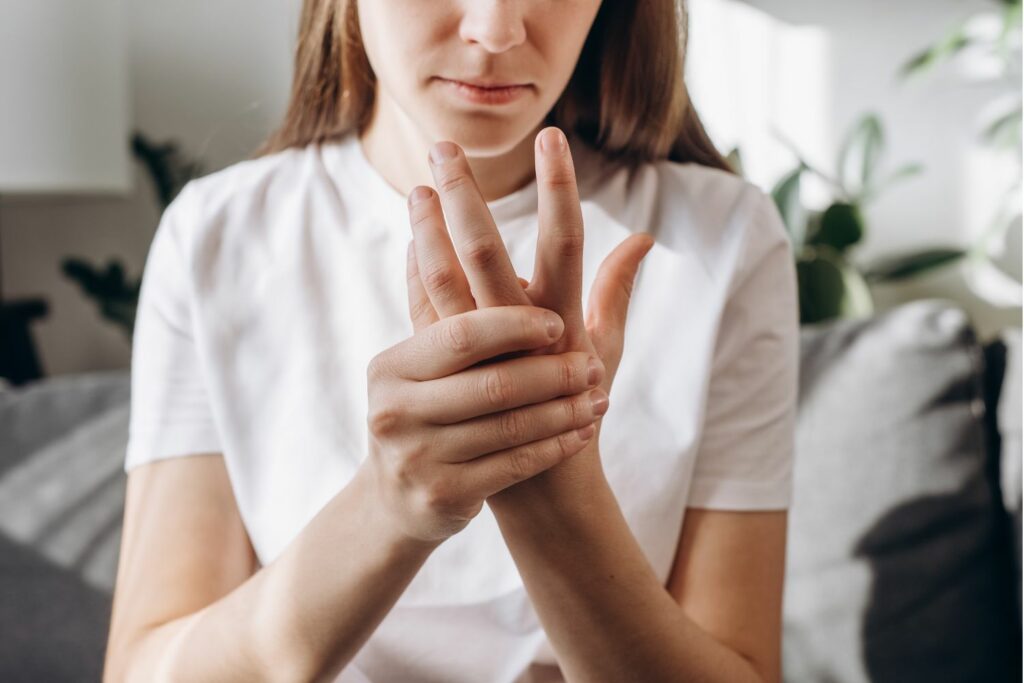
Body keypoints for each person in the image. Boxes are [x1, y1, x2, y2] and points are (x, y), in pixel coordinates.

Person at [103, 1, 799, 681]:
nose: (496, 30)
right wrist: (390, 502)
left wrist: (554, 494)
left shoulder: (721, 240)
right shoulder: (217, 237)